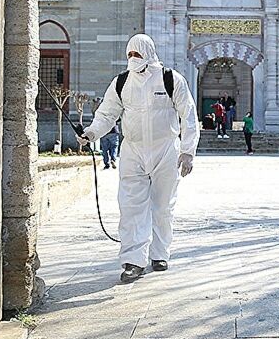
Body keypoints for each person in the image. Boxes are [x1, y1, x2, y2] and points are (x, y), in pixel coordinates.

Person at [77, 34, 199, 284]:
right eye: (130, 54)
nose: (133, 58)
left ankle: (160, 253)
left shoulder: (170, 79)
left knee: (162, 207)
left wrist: (188, 151)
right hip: (133, 150)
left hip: (166, 150)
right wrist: (91, 133)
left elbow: (188, 114)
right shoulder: (121, 82)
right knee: (131, 206)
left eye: (137, 54)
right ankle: (133, 260)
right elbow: (107, 114)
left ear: (148, 53)